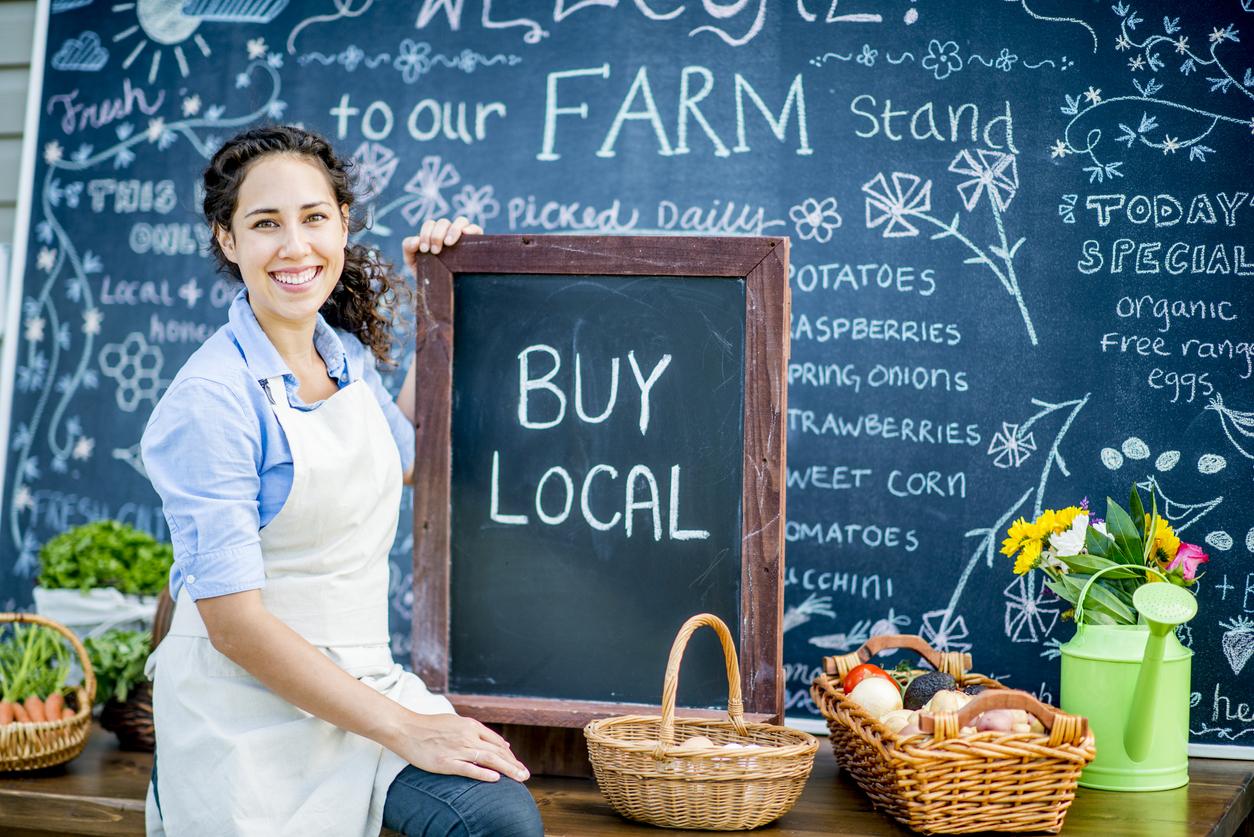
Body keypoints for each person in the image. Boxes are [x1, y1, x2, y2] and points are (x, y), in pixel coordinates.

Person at [139, 124, 543, 837]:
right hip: (246, 712)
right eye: (266, 223)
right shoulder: (209, 401)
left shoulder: (341, 353)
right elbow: (235, 628)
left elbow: (410, 458)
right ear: (227, 240)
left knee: (497, 820)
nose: (296, 247)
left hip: (363, 687)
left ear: (344, 224)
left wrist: (441, 298)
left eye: (314, 218)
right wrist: (408, 730)